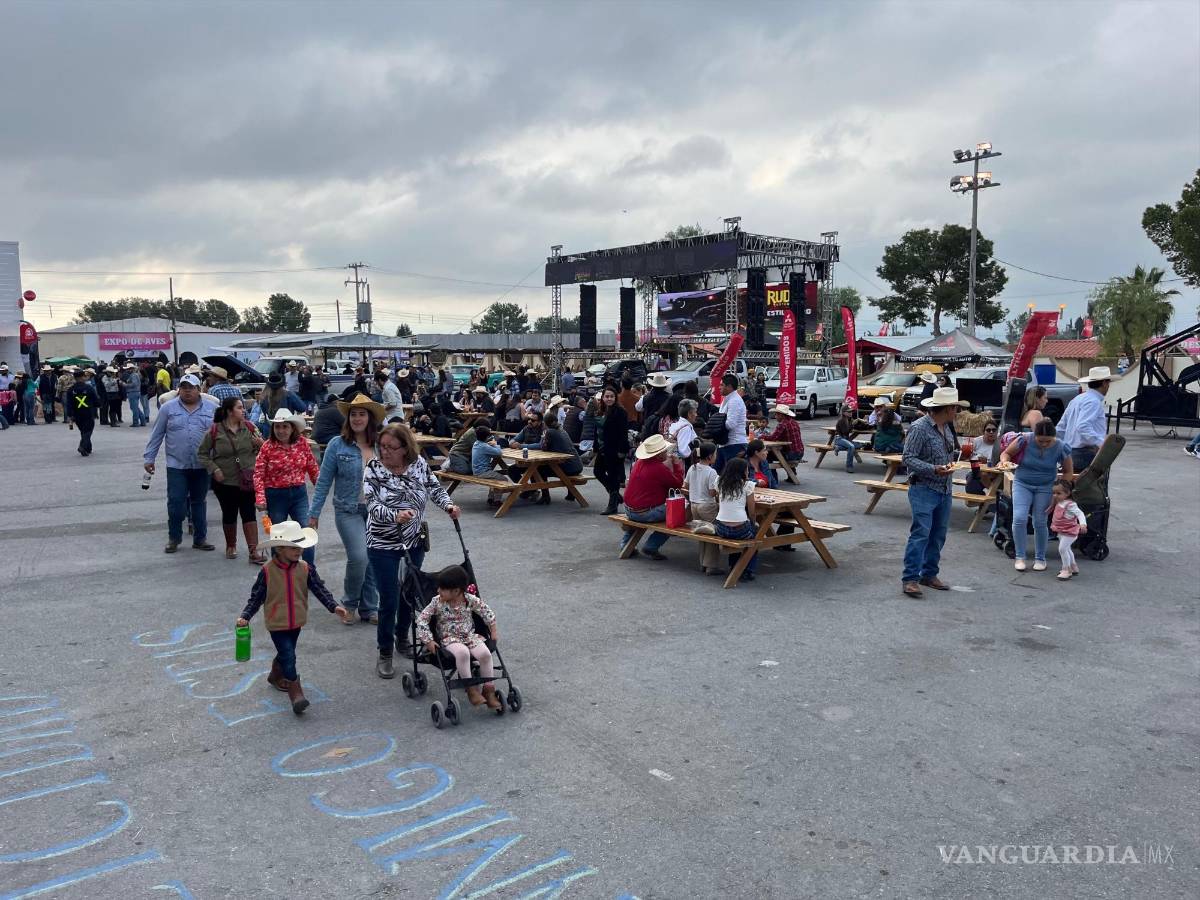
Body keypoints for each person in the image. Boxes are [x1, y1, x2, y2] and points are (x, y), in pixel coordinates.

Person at [365, 423, 460, 678]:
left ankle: (402, 638)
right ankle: (384, 652)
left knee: (410, 593)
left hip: (413, 539)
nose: (385, 452)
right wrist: (394, 515)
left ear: (405, 448)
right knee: (388, 598)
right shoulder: (373, 468)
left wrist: (449, 505)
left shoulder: (418, 464)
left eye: (391, 448)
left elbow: (434, 488)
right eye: (382, 446)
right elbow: (372, 504)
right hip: (382, 542)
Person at [236, 519, 351, 714]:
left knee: (285, 653)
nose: (299, 551)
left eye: (300, 547)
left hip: (296, 620)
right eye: (294, 548)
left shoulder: (305, 567)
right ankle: (296, 694)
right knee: (289, 655)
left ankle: (275, 675)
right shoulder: (267, 571)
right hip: (277, 622)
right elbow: (256, 597)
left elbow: (318, 589)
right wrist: (246, 615)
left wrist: (334, 606)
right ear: (280, 549)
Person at [309, 394, 384, 625]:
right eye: (353, 414)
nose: (357, 418)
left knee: (373, 558)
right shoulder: (337, 444)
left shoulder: (380, 445)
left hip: (376, 511)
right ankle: (349, 603)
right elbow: (323, 481)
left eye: (362, 414)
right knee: (359, 557)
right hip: (347, 510)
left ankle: (369, 607)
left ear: (370, 418)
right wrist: (314, 513)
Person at [900, 386, 967, 598]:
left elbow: (947, 453)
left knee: (938, 534)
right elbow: (908, 458)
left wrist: (958, 457)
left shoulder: (945, 427)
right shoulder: (919, 428)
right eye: (955, 408)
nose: (956, 411)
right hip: (924, 487)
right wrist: (933, 469)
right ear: (946, 409)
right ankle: (910, 578)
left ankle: (928, 574)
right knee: (920, 534)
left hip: (944, 487)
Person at [143, 373, 219, 553]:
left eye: (191, 387)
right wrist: (149, 458)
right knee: (176, 502)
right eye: (183, 387)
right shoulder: (167, 408)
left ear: (198, 389)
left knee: (199, 502)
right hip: (177, 465)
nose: (187, 391)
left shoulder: (213, 408)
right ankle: (174, 538)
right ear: (179, 390)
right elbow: (157, 434)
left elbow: (221, 434)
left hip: (202, 464)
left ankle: (200, 538)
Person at [415, 564, 501, 710]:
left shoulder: (469, 599)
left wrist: (493, 629)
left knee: (485, 654)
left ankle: (489, 690)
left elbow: (486, 611)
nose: (438, 591)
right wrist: (428, 640)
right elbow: (422, 619)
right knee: (463, 653)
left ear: (456, 591)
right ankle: (471, 689)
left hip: (469, 635)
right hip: (450, 638)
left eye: (442, 589)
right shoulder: (437, 602)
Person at [198, 396, 266, 563]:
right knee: (229, 513)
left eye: (243, 407)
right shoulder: (214, 431)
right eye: (239, 407)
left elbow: (266, 450)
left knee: (249, 514)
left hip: (247, 480)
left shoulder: (250, 427)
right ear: (229, 411)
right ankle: (231, 545)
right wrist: (215, 469)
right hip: (225, 481)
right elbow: (202, 454)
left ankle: (253, 551)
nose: (243, 410)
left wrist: (261, 443)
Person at [1001, 418, 1074, 572]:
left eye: (1048, 441)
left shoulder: (1060, 446)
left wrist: (1060, 492)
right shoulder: (1024, 440)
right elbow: (1006, 453)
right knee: (1019, 517)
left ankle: (1040, 558)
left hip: (1046, 486)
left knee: (1040, 521)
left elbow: (1068, 472)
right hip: (1022, 482)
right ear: (1034, 435)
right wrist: (1005, 462)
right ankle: (1020, 556)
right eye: (1041, 441)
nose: (1044, 444)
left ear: (1054, 437)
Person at [254, 409, 320, 565]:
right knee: (278, 536)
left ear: (292, 428)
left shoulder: (302, 443)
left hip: (298, 493)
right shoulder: (267, 447)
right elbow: (258, 474)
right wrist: (260, 499)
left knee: (306, 531)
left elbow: (312, 467)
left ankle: (309, 572)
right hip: (275, 495)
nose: (281, 431)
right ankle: (279, 572)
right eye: (277, 427)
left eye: (285, 427)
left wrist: (320, 491)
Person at [619, 434, 684, 561]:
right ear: (659, 454)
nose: (666, 452)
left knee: (639, 511)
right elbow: (677, 484)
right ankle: (651, 546)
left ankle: (625, 544)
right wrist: (677, 465)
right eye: (665, 451)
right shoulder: (658, 468)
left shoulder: (639, 463)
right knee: (677, 514)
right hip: (644, 512)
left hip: (628, 508)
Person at [1056, 366, 1111, 473]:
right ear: (1104, 383)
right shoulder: (1093, 401)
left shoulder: (1078, 399)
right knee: (1093, 487)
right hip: (1085, 453)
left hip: (1070, 451)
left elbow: (1061, 428)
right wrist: (1101, 444)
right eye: (1108, 383)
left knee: (1070, 486)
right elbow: (1083, 426)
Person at [714, 457, 759, 582]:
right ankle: (748, 570)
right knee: (755, 537)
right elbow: (752, 511)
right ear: (742, 472)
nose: (748, 472)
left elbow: (719, 501)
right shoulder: (747, 485)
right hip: (740, 529)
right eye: (746, 470)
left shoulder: (719, 482)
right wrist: (753, 523)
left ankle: (734, 565)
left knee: (735, 536)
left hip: (721, 528)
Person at [683, 441, 724, 575]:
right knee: (712, 533)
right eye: (715, 454)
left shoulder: (692, 468)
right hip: (707, 505)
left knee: (702, 533)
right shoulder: (711, 472)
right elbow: (712, 492)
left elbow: (686, 486)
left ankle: (703, 562)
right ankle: (711, 565)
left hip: (694, 504)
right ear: (710, 456)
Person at [592, 386, 630, 515]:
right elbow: (597, 431)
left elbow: (623, 432)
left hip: (614, 448)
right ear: (602, 398)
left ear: (615, 397)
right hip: (602, 447)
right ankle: (615, 495)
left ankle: (612, 505)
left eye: (611, 396)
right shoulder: (601, 411)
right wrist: (595, 446)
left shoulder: (620, 412)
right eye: (606, 396)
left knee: (613, 477)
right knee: (598, 471)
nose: (609, 399)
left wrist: (622, 450)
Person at [1050, 478, 1088, 581]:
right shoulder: (1060, 502)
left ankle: (1066, 570)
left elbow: (1080, 514)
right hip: (1062, 530)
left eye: (1058, 493)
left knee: (1062, 549)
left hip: (1070, 531)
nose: (1055, 495)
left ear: (1067, 493)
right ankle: (1073, 566)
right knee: (1067, 549)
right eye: (1053, 493)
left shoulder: (1070, 504)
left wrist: (1083, 524)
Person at [715, 373, 748, 473]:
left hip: (734, 444)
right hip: (726, 444)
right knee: (718, 474)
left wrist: (716, 426)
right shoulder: (728, 399)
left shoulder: (734, 401)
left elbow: (731, 424)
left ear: (729, 387)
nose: (719, 387)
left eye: (722, 385)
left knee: (730, 476)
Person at [65, 369, 99, 455]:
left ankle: (88, 448)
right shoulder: (89, 388)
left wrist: (70, 415)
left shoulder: (70, 390)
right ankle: (82, 446)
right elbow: (96, 400)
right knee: (88, 430)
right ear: (83, 377)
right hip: (88, 412)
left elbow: (68, 404)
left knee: (83, 430)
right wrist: (98, 405)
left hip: (77, 413)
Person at [669, 399, 700, 465]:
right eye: (695, 412)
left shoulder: (676, 425)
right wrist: (693, 447)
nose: (696, 415)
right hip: (683, 464)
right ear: (689, 414)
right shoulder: (686, 428)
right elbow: (683, 452)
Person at [832, 405, 859, 473]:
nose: (851, 413)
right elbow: (845, 431)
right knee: (851, 446)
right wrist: (852, 424)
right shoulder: (842, 420)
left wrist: (860, 422)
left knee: (860, 445)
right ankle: (849, 466)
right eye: (849, 412)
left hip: (845, 439)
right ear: (844, 413)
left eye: (851, 411)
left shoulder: (850, 419)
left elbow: (852, 429)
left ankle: (838, 447)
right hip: (840, 438)